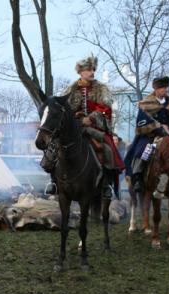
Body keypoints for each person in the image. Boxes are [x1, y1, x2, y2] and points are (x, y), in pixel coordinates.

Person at [44, 55, 125, 198]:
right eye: (88, 70)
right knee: (53, 147)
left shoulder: (101, 89)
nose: (92, 72)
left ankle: (107, 185)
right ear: (80, 72)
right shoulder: (70, 89)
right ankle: (53, 182)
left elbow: (106, 108)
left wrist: (92, 117)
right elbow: (64, 109)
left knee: (107, 149)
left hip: (96, 127)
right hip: (74, 128)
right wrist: (75, 117)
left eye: (93, 69)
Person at [124, 76, 169, 192]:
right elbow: (141, 122)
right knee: (143, 151)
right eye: (163, 87)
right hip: (151, 135)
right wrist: (156, 127)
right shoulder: (145, 104)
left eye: (166, 87)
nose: (165, 89)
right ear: (156, 89)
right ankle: (138, 177)